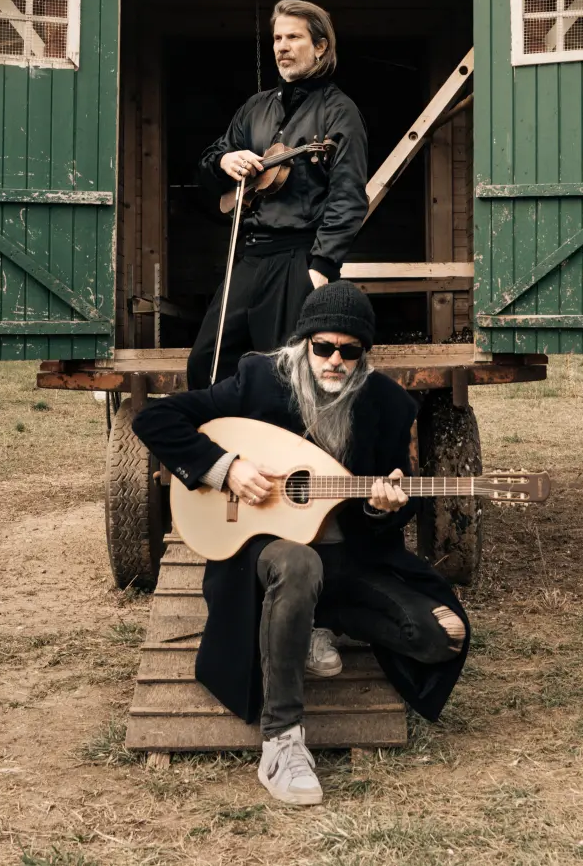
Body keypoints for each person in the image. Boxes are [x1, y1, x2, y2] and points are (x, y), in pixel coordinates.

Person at [133, 282, 470, 806]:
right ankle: (282, 741)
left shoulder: (386, 403)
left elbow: (385, 515)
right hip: (267, 556)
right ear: (305, 342)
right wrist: (226, 468)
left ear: (364, 354)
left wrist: (382, 507)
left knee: (441, 637)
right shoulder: (259, 381)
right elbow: (154, 419)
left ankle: (314, 622)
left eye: (350, 351)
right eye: (324, 347)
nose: (335, 360)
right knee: (299, 564)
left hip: (348, 562)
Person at [187, 0, 369, 390]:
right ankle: (224, 432)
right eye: (277, 38)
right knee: (208, 362)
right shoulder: (256, 108)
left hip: (298, 258)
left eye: (293, 37)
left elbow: (349, 197)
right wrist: (225, 161)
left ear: (320, 47)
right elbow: (208, 166)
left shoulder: (340, 111)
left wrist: (321, 267)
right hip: (251, 255)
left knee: (285, 374)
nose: (282, 47)